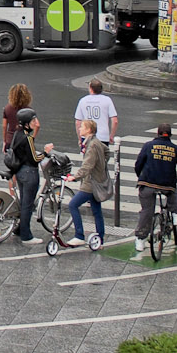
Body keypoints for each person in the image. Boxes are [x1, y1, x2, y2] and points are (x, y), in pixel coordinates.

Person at [133, 123, 177, 252]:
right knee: (172, 190)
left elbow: (138, 164)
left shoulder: (148, 146)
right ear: (170, 135)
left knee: (147, 211)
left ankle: (140, 240)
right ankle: (176, 214)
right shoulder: (176, 149)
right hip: (166, 184)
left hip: (147, 183)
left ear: (157, 133)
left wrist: (140, 176)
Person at [63, 118, 110, 247]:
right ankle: (100, 238)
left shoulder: (92, 145)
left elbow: (87, 165)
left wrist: (75, 177)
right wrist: (101, 164)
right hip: (96, 182)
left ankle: (79, 235)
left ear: (88, 130)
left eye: (82, 127)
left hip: (90, 183)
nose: (79, 129)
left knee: (73, 205)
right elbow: (107, 152)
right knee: (96, 211)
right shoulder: (95, 142)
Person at [8, 108, 51, 245]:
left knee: (24, 202)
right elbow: (34, 159)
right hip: (29, 173)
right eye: (33, 120)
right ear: (27, 123)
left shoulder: (17, 134)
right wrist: (45, 152)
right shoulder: (28, 139)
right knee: (27, 205)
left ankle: (20, 229)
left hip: (20, 172)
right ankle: (26, 236)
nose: (35, 122)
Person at [73, 79, 119, 151]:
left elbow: (78, 122)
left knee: (88, 159)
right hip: (103, 136)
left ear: (91, 89)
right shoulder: (107, 100)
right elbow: (115, 121)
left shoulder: (83, 101)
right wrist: (111, 136)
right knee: (102, 159)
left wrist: (80, 138)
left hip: (87, 136)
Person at [2, 83, 33, 150]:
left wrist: (4, 141)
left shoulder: (7, 108)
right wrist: (32, 138)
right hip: (24, 141)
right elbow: (36, 126)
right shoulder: (29, 110)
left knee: (10, 159)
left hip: (10, 140)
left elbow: (4, 126)